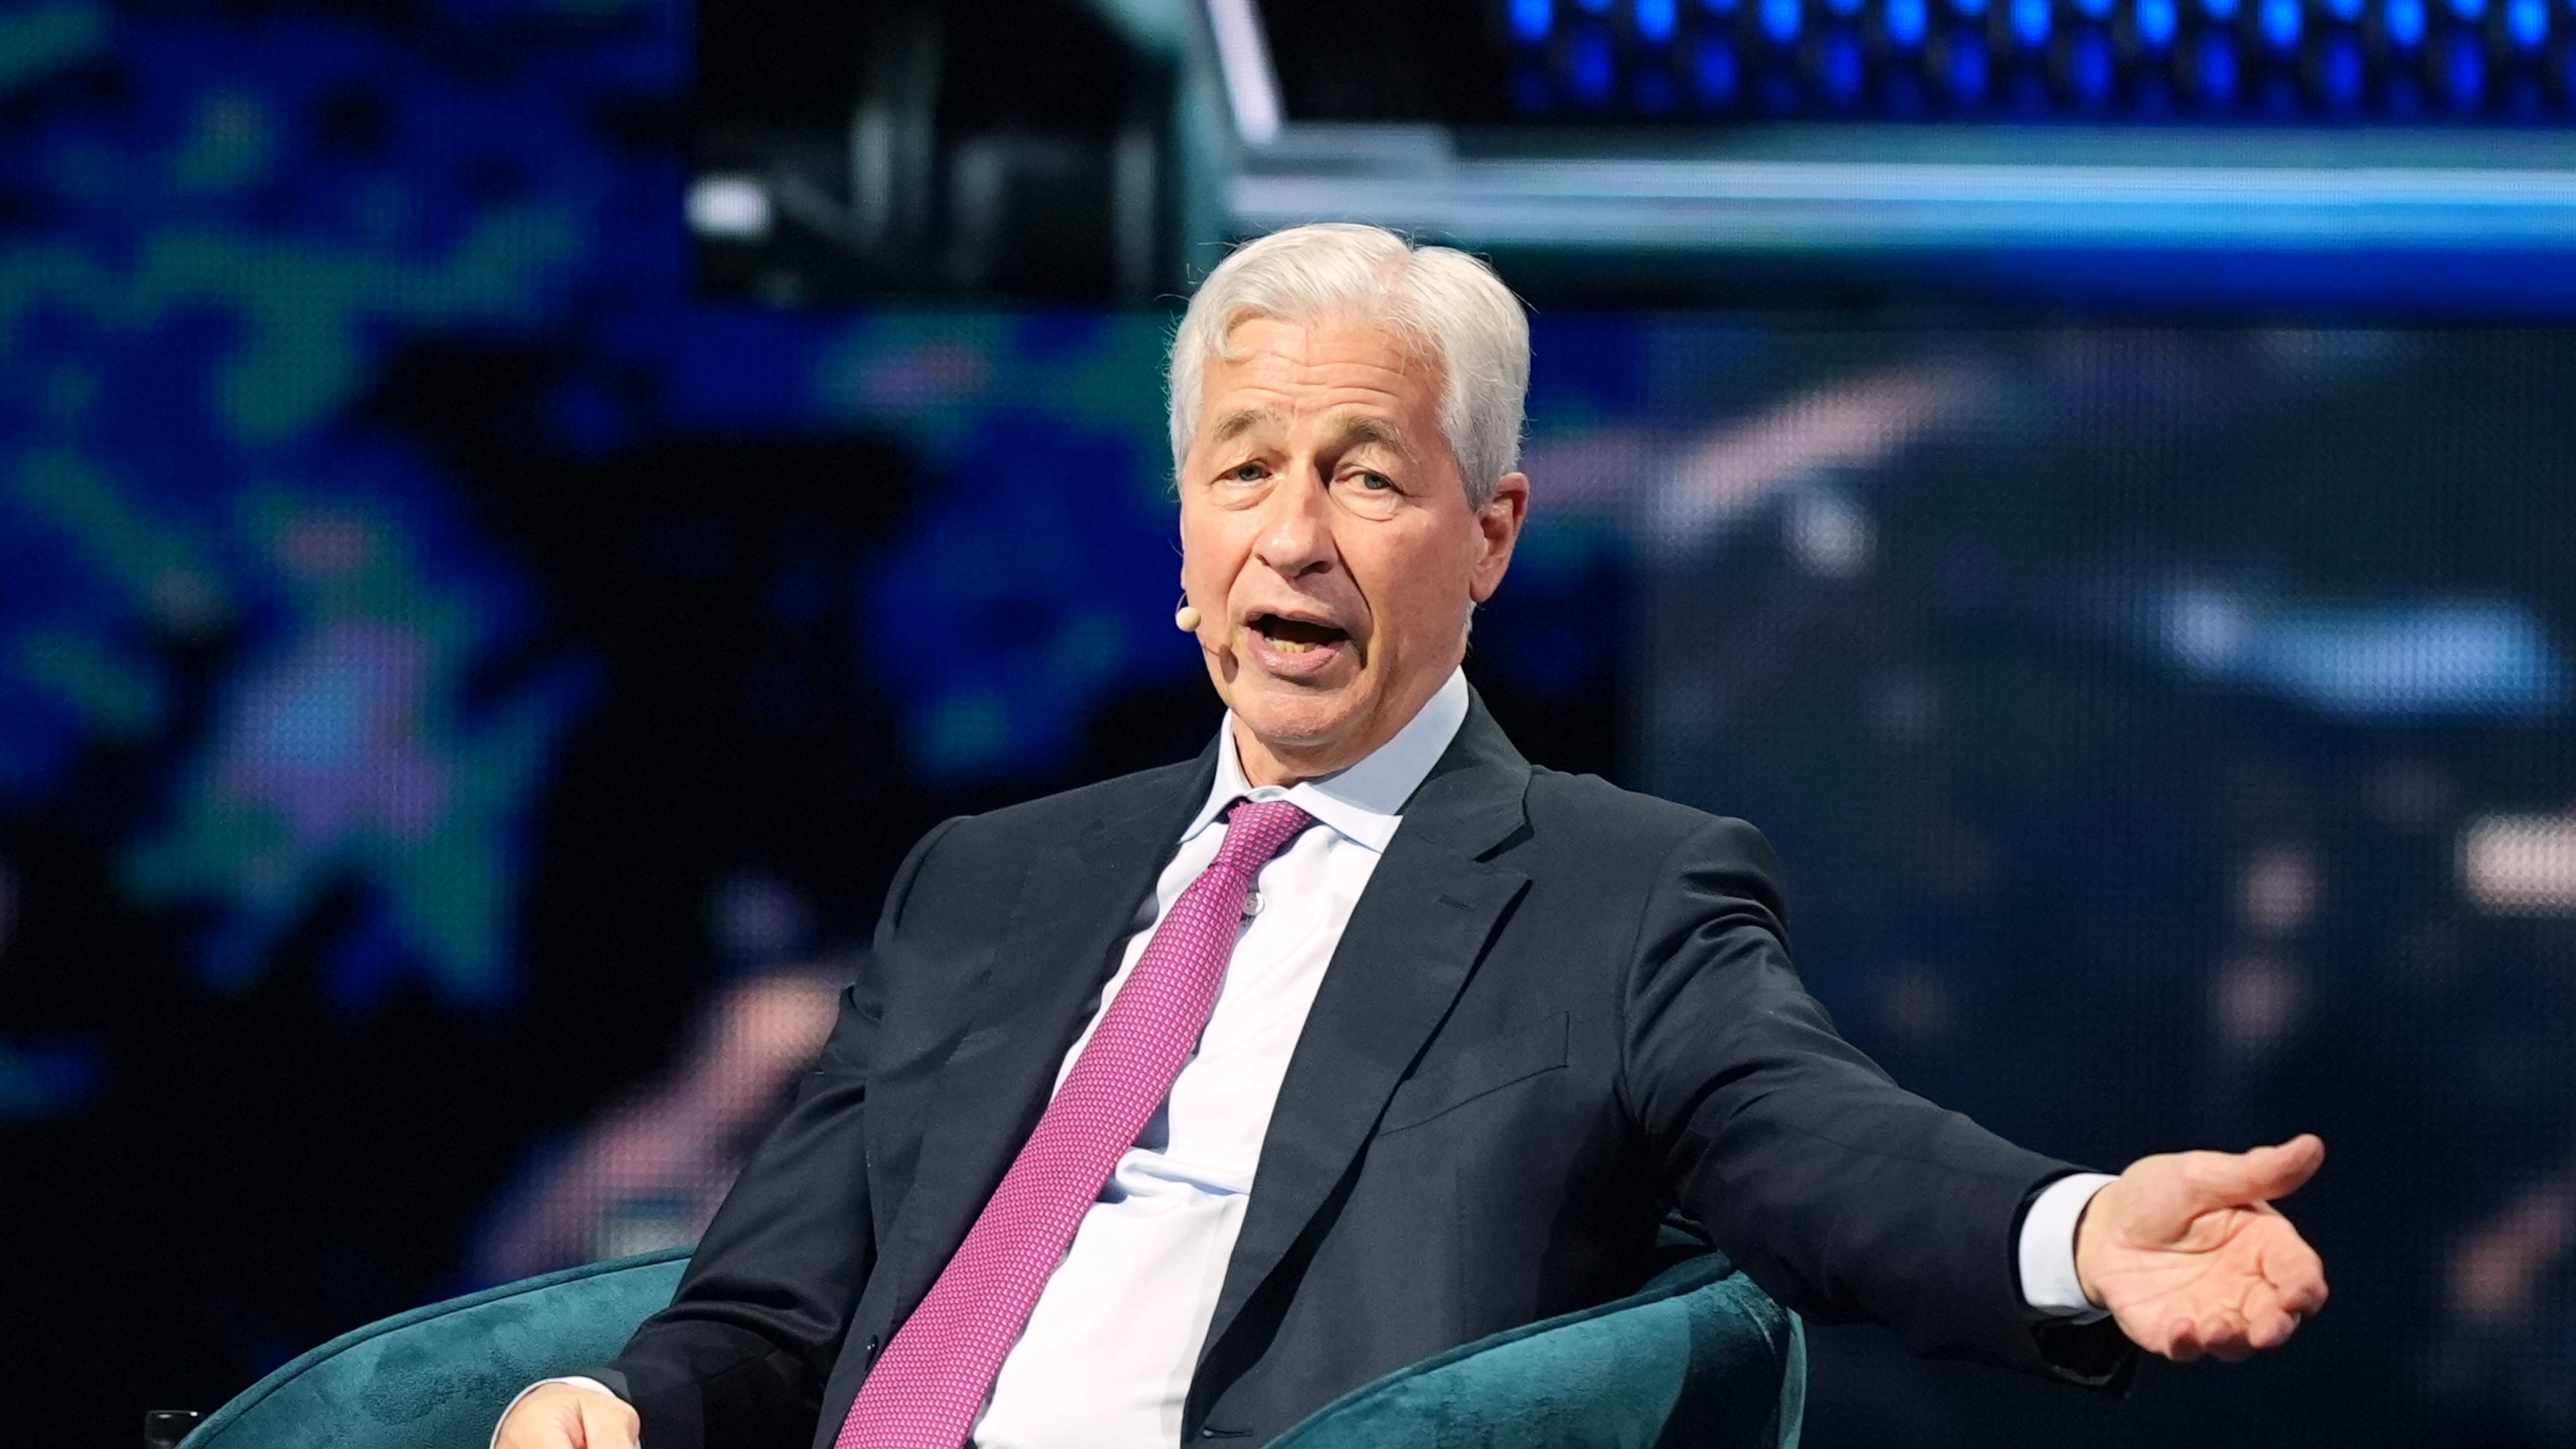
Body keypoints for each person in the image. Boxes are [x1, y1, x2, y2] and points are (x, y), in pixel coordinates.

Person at [496, 223, 2328, 1449]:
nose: (1294, 538)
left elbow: (1824, 1150)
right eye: (1244, 471)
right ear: (1187, 532)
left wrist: (2074, 1234)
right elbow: (767, 1313)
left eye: (1366, 475)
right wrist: (631, 1410)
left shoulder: (1620, 898)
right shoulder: (983, 879)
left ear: (1494, 535)